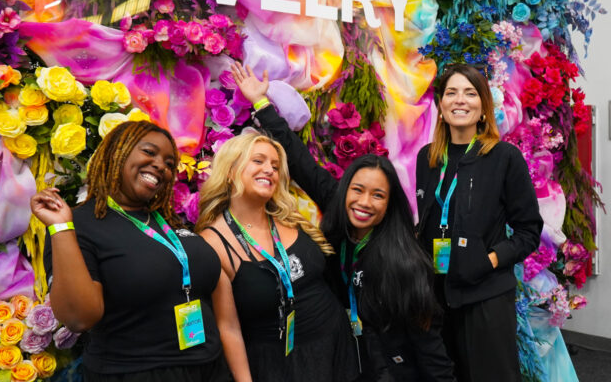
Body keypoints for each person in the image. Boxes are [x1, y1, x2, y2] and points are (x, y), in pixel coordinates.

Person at [231, 62, 454, 381]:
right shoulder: (338, 209)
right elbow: (301, 161)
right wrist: (261, 103)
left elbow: (431, 349)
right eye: (358, 190)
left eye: (378, 195)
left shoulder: (404, 262)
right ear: (345, 189)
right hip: (343, 362)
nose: (364, 202)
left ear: (390, 204)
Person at [30, 120, 233, 382]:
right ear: (117, 153)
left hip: (210, 368)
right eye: (149, 152)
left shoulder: (168, 223)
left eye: (170, 164)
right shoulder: (78, 225)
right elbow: (79, 318)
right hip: (135, 372)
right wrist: (60, 228)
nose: (161, 165)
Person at [196, 132, 360, 382]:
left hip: (335, 344)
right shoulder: (214, 242)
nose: (269, 170)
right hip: (279, 365)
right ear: (230, 171)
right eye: (259, 161)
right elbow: (228, 327)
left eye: (275, 165)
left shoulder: (289, 217)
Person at [415, 64, 543, 381]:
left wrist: (488, 260)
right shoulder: (427, 157)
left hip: (485, 296)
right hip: (436, 296)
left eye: (470, 93)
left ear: (483, 106)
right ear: (441, 106)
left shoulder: (504, 158)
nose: (461, 100)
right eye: (452, 93)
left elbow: (529, 231)